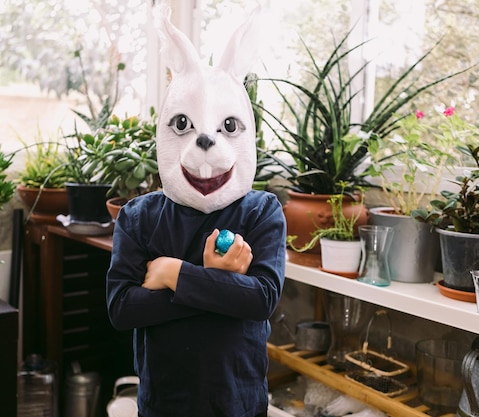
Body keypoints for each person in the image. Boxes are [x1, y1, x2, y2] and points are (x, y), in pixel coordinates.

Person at [106, 6, 286, 417]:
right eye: (184, 124)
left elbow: (262, 299)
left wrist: (173, 274)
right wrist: (219, 282)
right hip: (165, 403)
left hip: (238, 401)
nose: (205, 144)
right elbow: (122, 308)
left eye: (228, 127)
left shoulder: (261, 211)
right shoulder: (138, 216)